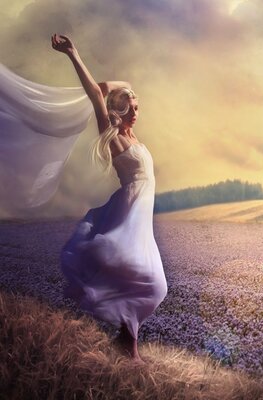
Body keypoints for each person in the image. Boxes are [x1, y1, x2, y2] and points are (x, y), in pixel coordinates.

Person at [52, 34, 168, 362]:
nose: (134, 112)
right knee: (145, 279)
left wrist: (125, 89)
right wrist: (74, 54)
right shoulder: (114, 137)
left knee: (154, 284)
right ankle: (129, 346)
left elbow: (121, 86)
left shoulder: (135, 136)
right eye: (128, 107)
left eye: (137, 107)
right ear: (116, 109)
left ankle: (125, 341)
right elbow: (96, 93)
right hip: (128, 214)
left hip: (141, 219)